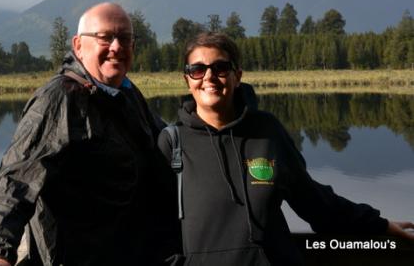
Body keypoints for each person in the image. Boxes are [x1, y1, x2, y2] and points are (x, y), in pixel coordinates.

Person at [158, 32, 414, 266]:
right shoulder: (173, 142)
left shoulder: (267, 132)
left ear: (238, 76)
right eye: (197, 69)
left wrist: (378, 224)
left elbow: (314, 201)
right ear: (187, 79)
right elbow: (153, 231)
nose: (209, 77)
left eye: (221, 67)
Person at [0, 3, 181, 266]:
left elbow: (164, 140)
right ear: (78, 45)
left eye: (125, 38)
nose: (116, 46)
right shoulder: (60, 98)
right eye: (105, 37)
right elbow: (17, 178)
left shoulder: (126, 93)